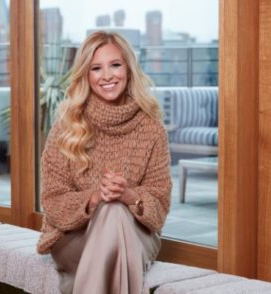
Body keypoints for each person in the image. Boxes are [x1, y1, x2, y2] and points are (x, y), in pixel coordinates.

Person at [36, 31, 172, 294]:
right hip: (73, 237)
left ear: (129, 69)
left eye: (115, 65)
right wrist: (97, 197)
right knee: (109, 208)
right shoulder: (68, 125)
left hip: (136, 236)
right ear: (86, 75)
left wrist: (128, 195)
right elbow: (53, 202)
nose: (107, 76)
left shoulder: (152, 127)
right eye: (96, 68)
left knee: (115, 210)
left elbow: (160, 206)